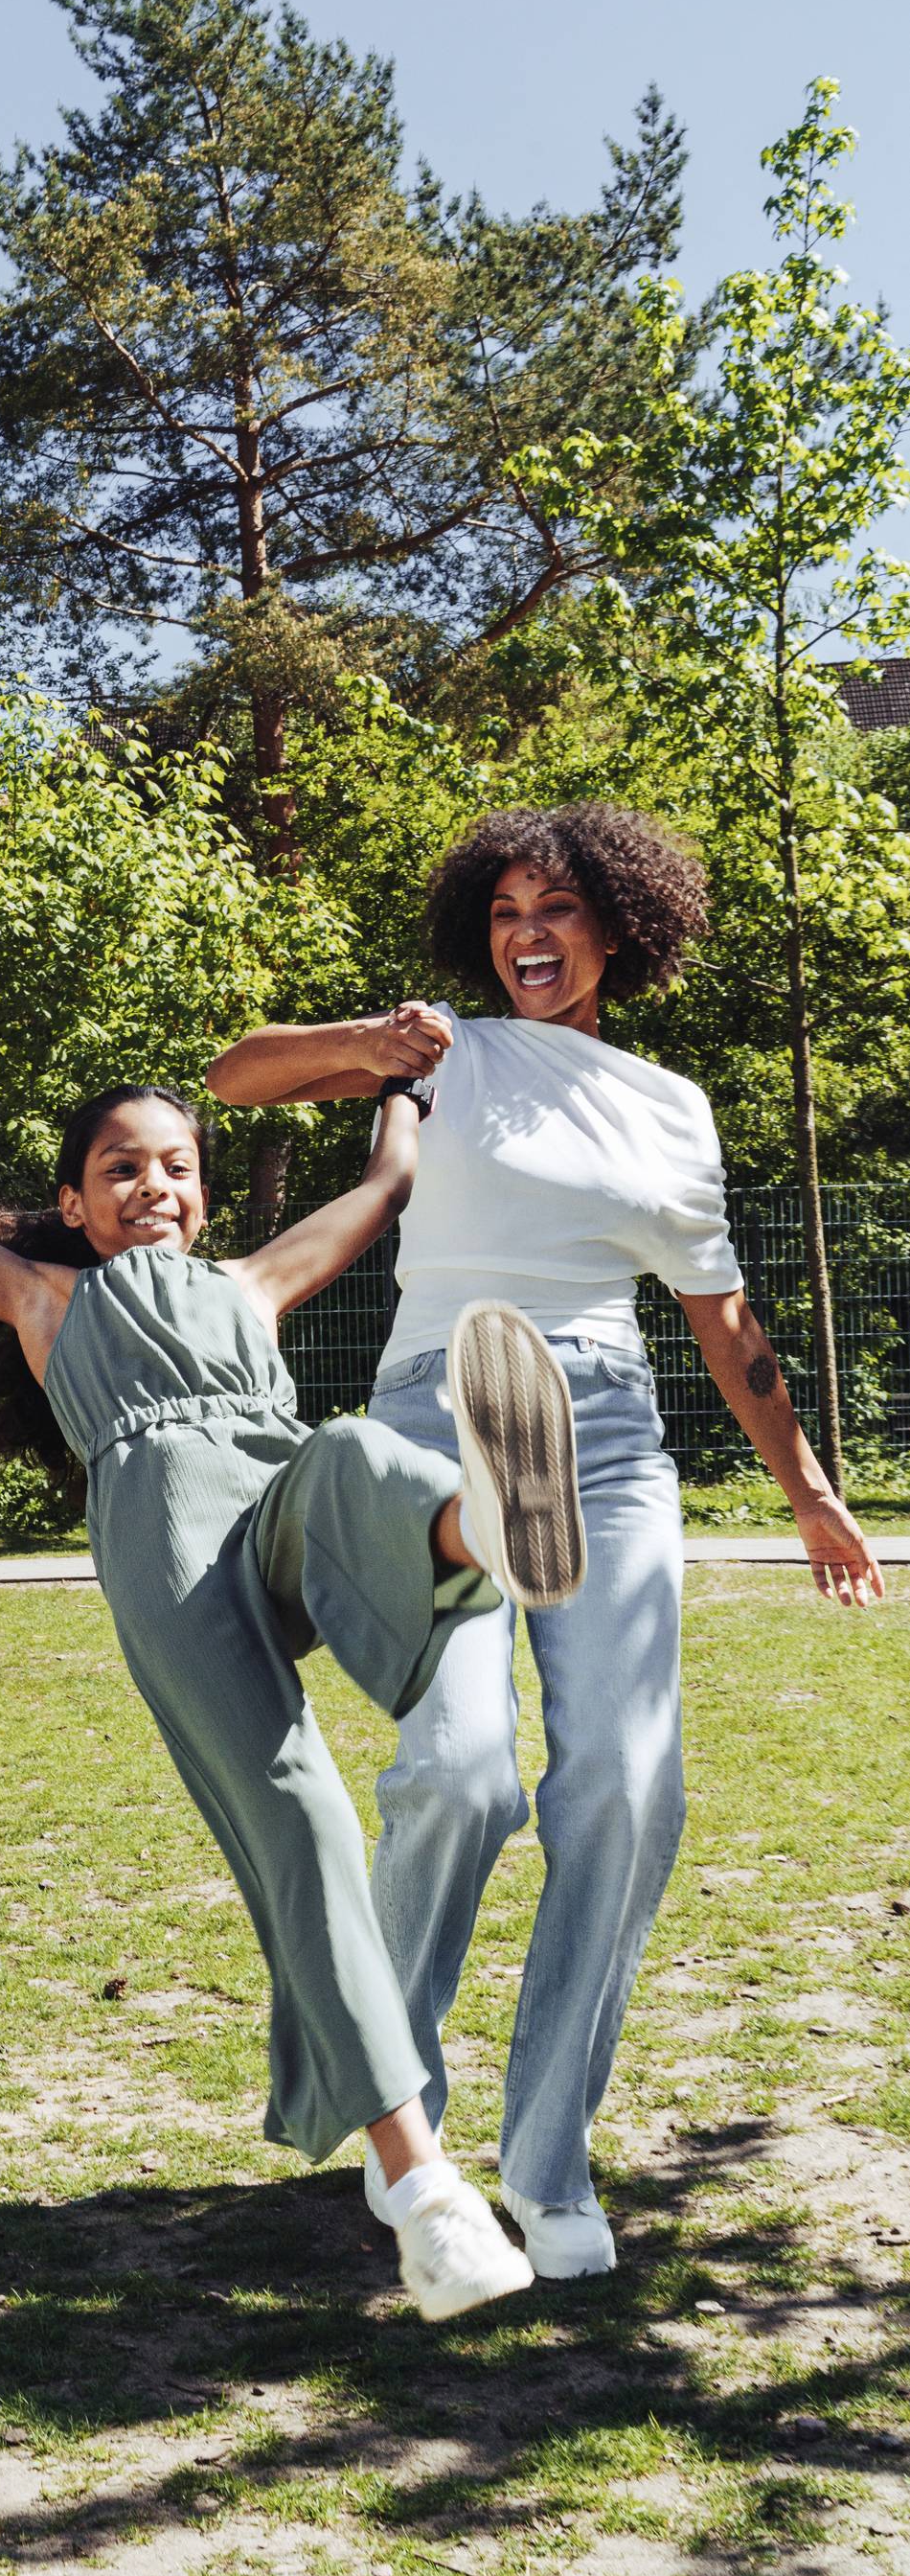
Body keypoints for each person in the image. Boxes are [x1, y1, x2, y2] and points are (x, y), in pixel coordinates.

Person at [0, 1057, 587, 2321]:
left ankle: (486, 1520)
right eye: (121, 1168)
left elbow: (385, 1184)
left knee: (358, 1447)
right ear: (77, 1205)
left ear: (203, 1195)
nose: (153, 1184)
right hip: (172, 1562)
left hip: (278, 1504)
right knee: (299, 1819)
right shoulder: (41, 1297)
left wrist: (403, 1083)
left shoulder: (248, 1285)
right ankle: (421, 2193)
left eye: (175, 1166)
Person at [208, 800, 882, 2280]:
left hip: (609, 1441)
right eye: (507, 910)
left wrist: (809, 1491)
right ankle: (401, 2120)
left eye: (557, 912)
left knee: (629, 1788)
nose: (527, 934)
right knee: (456, 1776)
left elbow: (722, 1323)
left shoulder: (671, 1106)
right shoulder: (446, 1052)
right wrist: (368, 1046)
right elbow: (232, 1075)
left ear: (618, 933)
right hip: (439, 1420)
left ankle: (547, 2145)